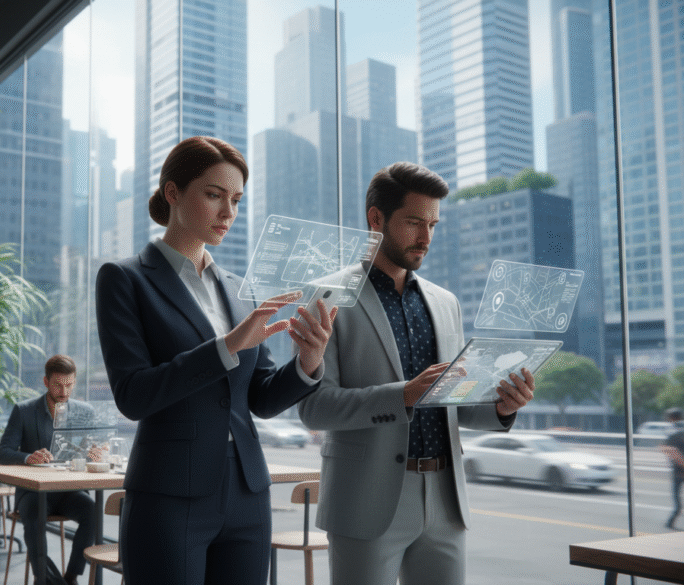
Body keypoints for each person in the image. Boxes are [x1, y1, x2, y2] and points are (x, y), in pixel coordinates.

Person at [95, 136, 337, 585]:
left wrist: (308, 361)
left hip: (246, 491)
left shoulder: (240, 287)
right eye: (214, 195)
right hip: (168, 494)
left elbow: (260, 398)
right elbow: (133, 395)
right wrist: (226, 347)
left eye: (237, 200)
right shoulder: (124, 278)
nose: (229, 212)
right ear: (173, 193)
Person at [297, 161, 536, 585]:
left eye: (432, 224)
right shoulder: (328, 295)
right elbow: (316, 409)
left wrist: (500, 407)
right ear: (376, 218)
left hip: (446, 499)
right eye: (413, 222)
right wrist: (403, 395)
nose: (425, 238)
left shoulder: (446, 303)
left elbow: (452, 402)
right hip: (365, 500)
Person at [0, 355, 97, 585]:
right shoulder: (24, 411)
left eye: (69, 384)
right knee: (33, 515)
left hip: (68, 491)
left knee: (92, 510)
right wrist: (28, 457)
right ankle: (48, 580)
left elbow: (86, 451)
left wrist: (95, 453)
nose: (64, 391)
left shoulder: (84, 411)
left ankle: (71, 576)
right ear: (45, 381)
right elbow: (3, 453)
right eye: (58, 385)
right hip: (32, 492)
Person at [660, 407, 684, 529]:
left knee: (676, 498)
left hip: (678, 470)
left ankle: (671, 521)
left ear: (671, 418)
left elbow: (670, 450)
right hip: (679, 468)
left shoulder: (672, 430)